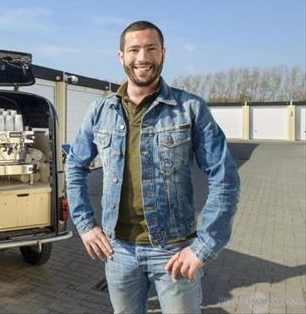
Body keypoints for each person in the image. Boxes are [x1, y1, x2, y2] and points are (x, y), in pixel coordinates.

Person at [65, 21, 240, 313]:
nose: (142, 57)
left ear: (163, 54)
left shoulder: (190, 109)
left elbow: (226, 180)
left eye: (151, 49)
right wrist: (85, 225)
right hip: (117, 250)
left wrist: (204, 246)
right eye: (134, 49)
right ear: (121, 56)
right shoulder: (100, 111)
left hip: (173, 251)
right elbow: (75, 166)